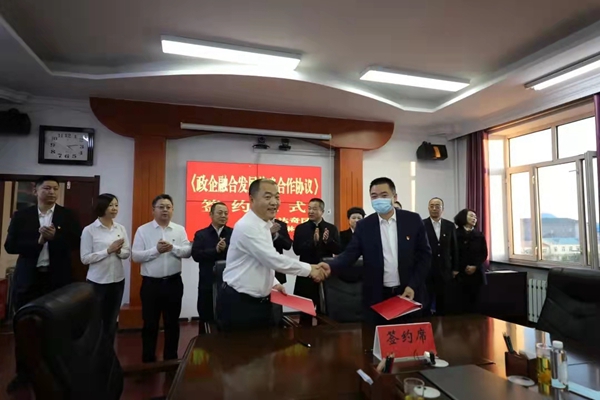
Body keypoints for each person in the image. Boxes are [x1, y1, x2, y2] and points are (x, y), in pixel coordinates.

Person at [4, 175, 82, 393]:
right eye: (47, 188)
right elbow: (10, 246)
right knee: (24, 328)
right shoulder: (22, 216)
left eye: (55, 188)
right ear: (35, 190)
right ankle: (23, 374)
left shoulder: (67, 215)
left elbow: (76, 243)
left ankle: (54, 371)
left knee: (56, 327)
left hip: (57, 280)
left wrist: (55, 237)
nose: (52, 192)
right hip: (29, 279)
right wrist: (38, 242)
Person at [217, 179, 327, 331]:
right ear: (252, 200)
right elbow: (272, 259)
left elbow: (261, 261)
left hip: (261, 302)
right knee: (241, 346)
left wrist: (274, 283)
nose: (274, 202)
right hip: (239, 303)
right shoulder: (247, 226)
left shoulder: (264, 225)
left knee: (265, 344)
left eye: (277, 197)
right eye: (268, 197)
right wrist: (310, 270)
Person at [318, 177, 431, 325]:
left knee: (407, 335)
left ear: (394, 197)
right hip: (377, 295)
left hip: (408, 291)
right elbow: (350, 254)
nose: (379, 200)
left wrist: (413, 285)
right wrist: (330, 266)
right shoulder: (364, 225)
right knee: (377, 336)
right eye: (374, 196)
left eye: (384, 195)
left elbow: (425, 256)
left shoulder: (412, 220)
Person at [132, 194, 192, 363]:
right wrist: (156, 251)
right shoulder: (143, 230)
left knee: (172, 323)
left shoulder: (179, 230)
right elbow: (135, 256)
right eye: (161, 207)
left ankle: (171, 360)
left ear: (172, 210)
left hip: (173, 283)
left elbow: (187, 252)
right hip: (151, 285)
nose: (165, 210)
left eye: (168, 207)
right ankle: (148, 360)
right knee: (150, 324)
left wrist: (172, 248)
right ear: (153, 210)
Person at [80, 193, 130, 345]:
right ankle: (94, 353)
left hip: (117, 280)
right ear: (102, 207)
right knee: (96, 321)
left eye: (116, 205)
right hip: (97, 282)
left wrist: (119, 251)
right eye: (110, 205)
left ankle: (108, 352)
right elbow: (85, 258)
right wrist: (108, 251)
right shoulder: (90, 230)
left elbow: (127, 252)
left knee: (111, 320)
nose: (114, 208)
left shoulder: (120, 228)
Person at [293, 198, 340, 325]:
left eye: (314, 209)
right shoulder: (301, 228)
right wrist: (312, 242)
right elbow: (296, 250)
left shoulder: (331, 228)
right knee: (305, 313)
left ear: (322, 211)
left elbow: (338, 250)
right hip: (306, 273)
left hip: (324, 273)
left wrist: (327, 242)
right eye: (309, 208)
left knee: (324, 312)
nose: (310, 211)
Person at [191, 202, 233, 334]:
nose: (223, 216)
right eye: (220, 213)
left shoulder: (233, 233)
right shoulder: (201, 234)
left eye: (226, 213)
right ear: (211, 214)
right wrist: (215, 250)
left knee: (228, 319)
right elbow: (196, 255)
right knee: (206, 318)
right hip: (207, 283)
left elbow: (239, 255)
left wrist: (226, 248)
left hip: (229, 283)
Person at [422, 197, 459, 315]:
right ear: (428, 208)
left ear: (442, 209)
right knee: (427, 300)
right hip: (427, 269)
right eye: (432, 206)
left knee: (443, 301)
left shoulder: (450, 225)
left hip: (445, 269)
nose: (434, 209)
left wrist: (455, 268)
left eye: (437, 206)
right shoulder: (421, 225)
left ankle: (442, 323)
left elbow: (454, 248)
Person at [454, 208, 488, 315]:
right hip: (460, 273)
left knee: (476, 305)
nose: (474, 218)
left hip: (476, 273)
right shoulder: (455, 233)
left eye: (475, 217)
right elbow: (453, 253)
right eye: (471, 216)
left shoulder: (479, 235)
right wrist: (460, 267)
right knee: (460, 305)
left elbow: (483, 253)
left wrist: (475, 266)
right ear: (463, 217)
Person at [271, 214, 293, 284]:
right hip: (260, 269)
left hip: (277, 269)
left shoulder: (281, 225)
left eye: (274, 209)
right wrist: (268, 232)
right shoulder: (255, 224)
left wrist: (276, 235)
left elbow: (288, 245)